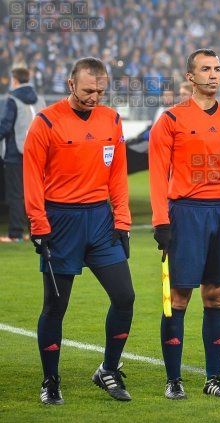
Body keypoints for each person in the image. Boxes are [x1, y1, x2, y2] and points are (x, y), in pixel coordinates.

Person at [23, 57, 134, 405]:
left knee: (125, 297)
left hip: (101, 221)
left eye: (101, 90)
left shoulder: (111, 119)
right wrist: (38, 224)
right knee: (56, 306)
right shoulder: (45, 122)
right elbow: (31, 177)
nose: (95, 97)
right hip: (61, 222)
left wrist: (123, 219)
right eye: (88, 90)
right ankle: (51, 380)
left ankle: (108, 370)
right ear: (71, 85)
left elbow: (117, 171)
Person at [149, 49, 220, 400]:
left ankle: (213, 378)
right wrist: (160, 221)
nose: (214, 75)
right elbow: (156, 175)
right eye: (206, 69)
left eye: (218, 69)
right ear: (190, 76)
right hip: (186, 214)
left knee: (216, 296)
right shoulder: (171, 119)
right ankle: (173, 379)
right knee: (179, 297)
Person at [0, 67, 45, 242]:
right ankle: (36, 231)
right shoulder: (40, 100)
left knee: (15, 195)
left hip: (16, 154)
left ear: (15, 80)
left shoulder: (12, 100)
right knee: (36, 194)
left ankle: (16, 233)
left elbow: (5, 126)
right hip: (39, 154)